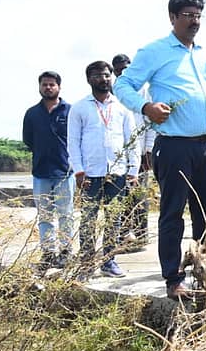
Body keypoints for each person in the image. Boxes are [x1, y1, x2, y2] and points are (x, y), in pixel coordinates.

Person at [114, 0, 206, 300]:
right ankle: (173, 278)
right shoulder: (154, 51)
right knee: (172, 214)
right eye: (187, 15)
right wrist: (146, 107)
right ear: (172, 17)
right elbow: (123, 84)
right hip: (174, 146)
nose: (194, 21)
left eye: (198, 16)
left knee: (205, 215)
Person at [68, 61, 140, 278]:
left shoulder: (122, 107)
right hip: (90, 173)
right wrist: (78, 171)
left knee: (113, 218)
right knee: (89, 219)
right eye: (98, 75)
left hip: (117, 172)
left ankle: (109, 262)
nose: (104, 79)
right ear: (89, 79)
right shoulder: (79, 108)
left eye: (107, 75)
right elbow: (73, 142)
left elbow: (132, 140)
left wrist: (133, 170)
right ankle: (86, 264)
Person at [22, 71, 74, 269]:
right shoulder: (32, 113)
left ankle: (66, 252)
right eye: (44, 84)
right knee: (44, 216)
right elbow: (28, 140)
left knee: (65, 214)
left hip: (65, 172)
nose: (48, 87)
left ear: (59, 87)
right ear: (39, 87)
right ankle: (48, 253)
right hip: (41, 172)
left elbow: (77, 139)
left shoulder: (70, 111)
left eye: (52, 84)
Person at [112, 53, 155, 250]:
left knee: (139, 196)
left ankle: (140, 236)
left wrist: (148, 150)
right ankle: (121, 237)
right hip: (117, 156)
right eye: (118, 70)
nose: (122, 72)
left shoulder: (144, 91)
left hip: (140, 154)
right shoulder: (111, 92)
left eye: (126, 68)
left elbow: (151, 124)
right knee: (118, 197)